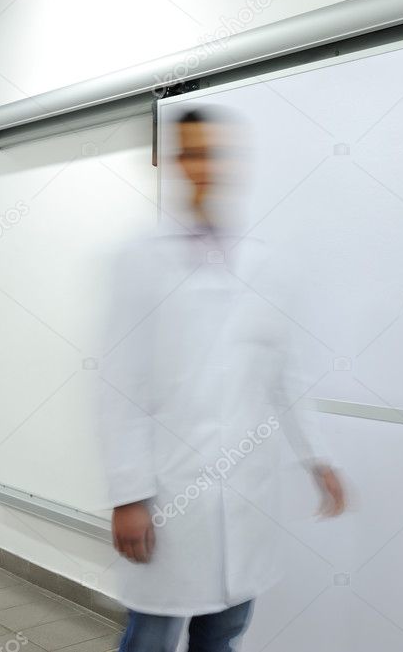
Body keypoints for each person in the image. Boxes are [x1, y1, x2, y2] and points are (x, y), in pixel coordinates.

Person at [98, 106, 346, 652]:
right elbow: (119, 387)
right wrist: (129, 495)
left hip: (245, 496)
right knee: (153, 639)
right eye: (189, 154)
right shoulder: (139, 265)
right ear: (172, 165)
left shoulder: (265, 267)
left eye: (212, 153)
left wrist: (318, 458)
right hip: (170, 497)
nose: (203, 166)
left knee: (225, 634)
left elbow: (286, 375)